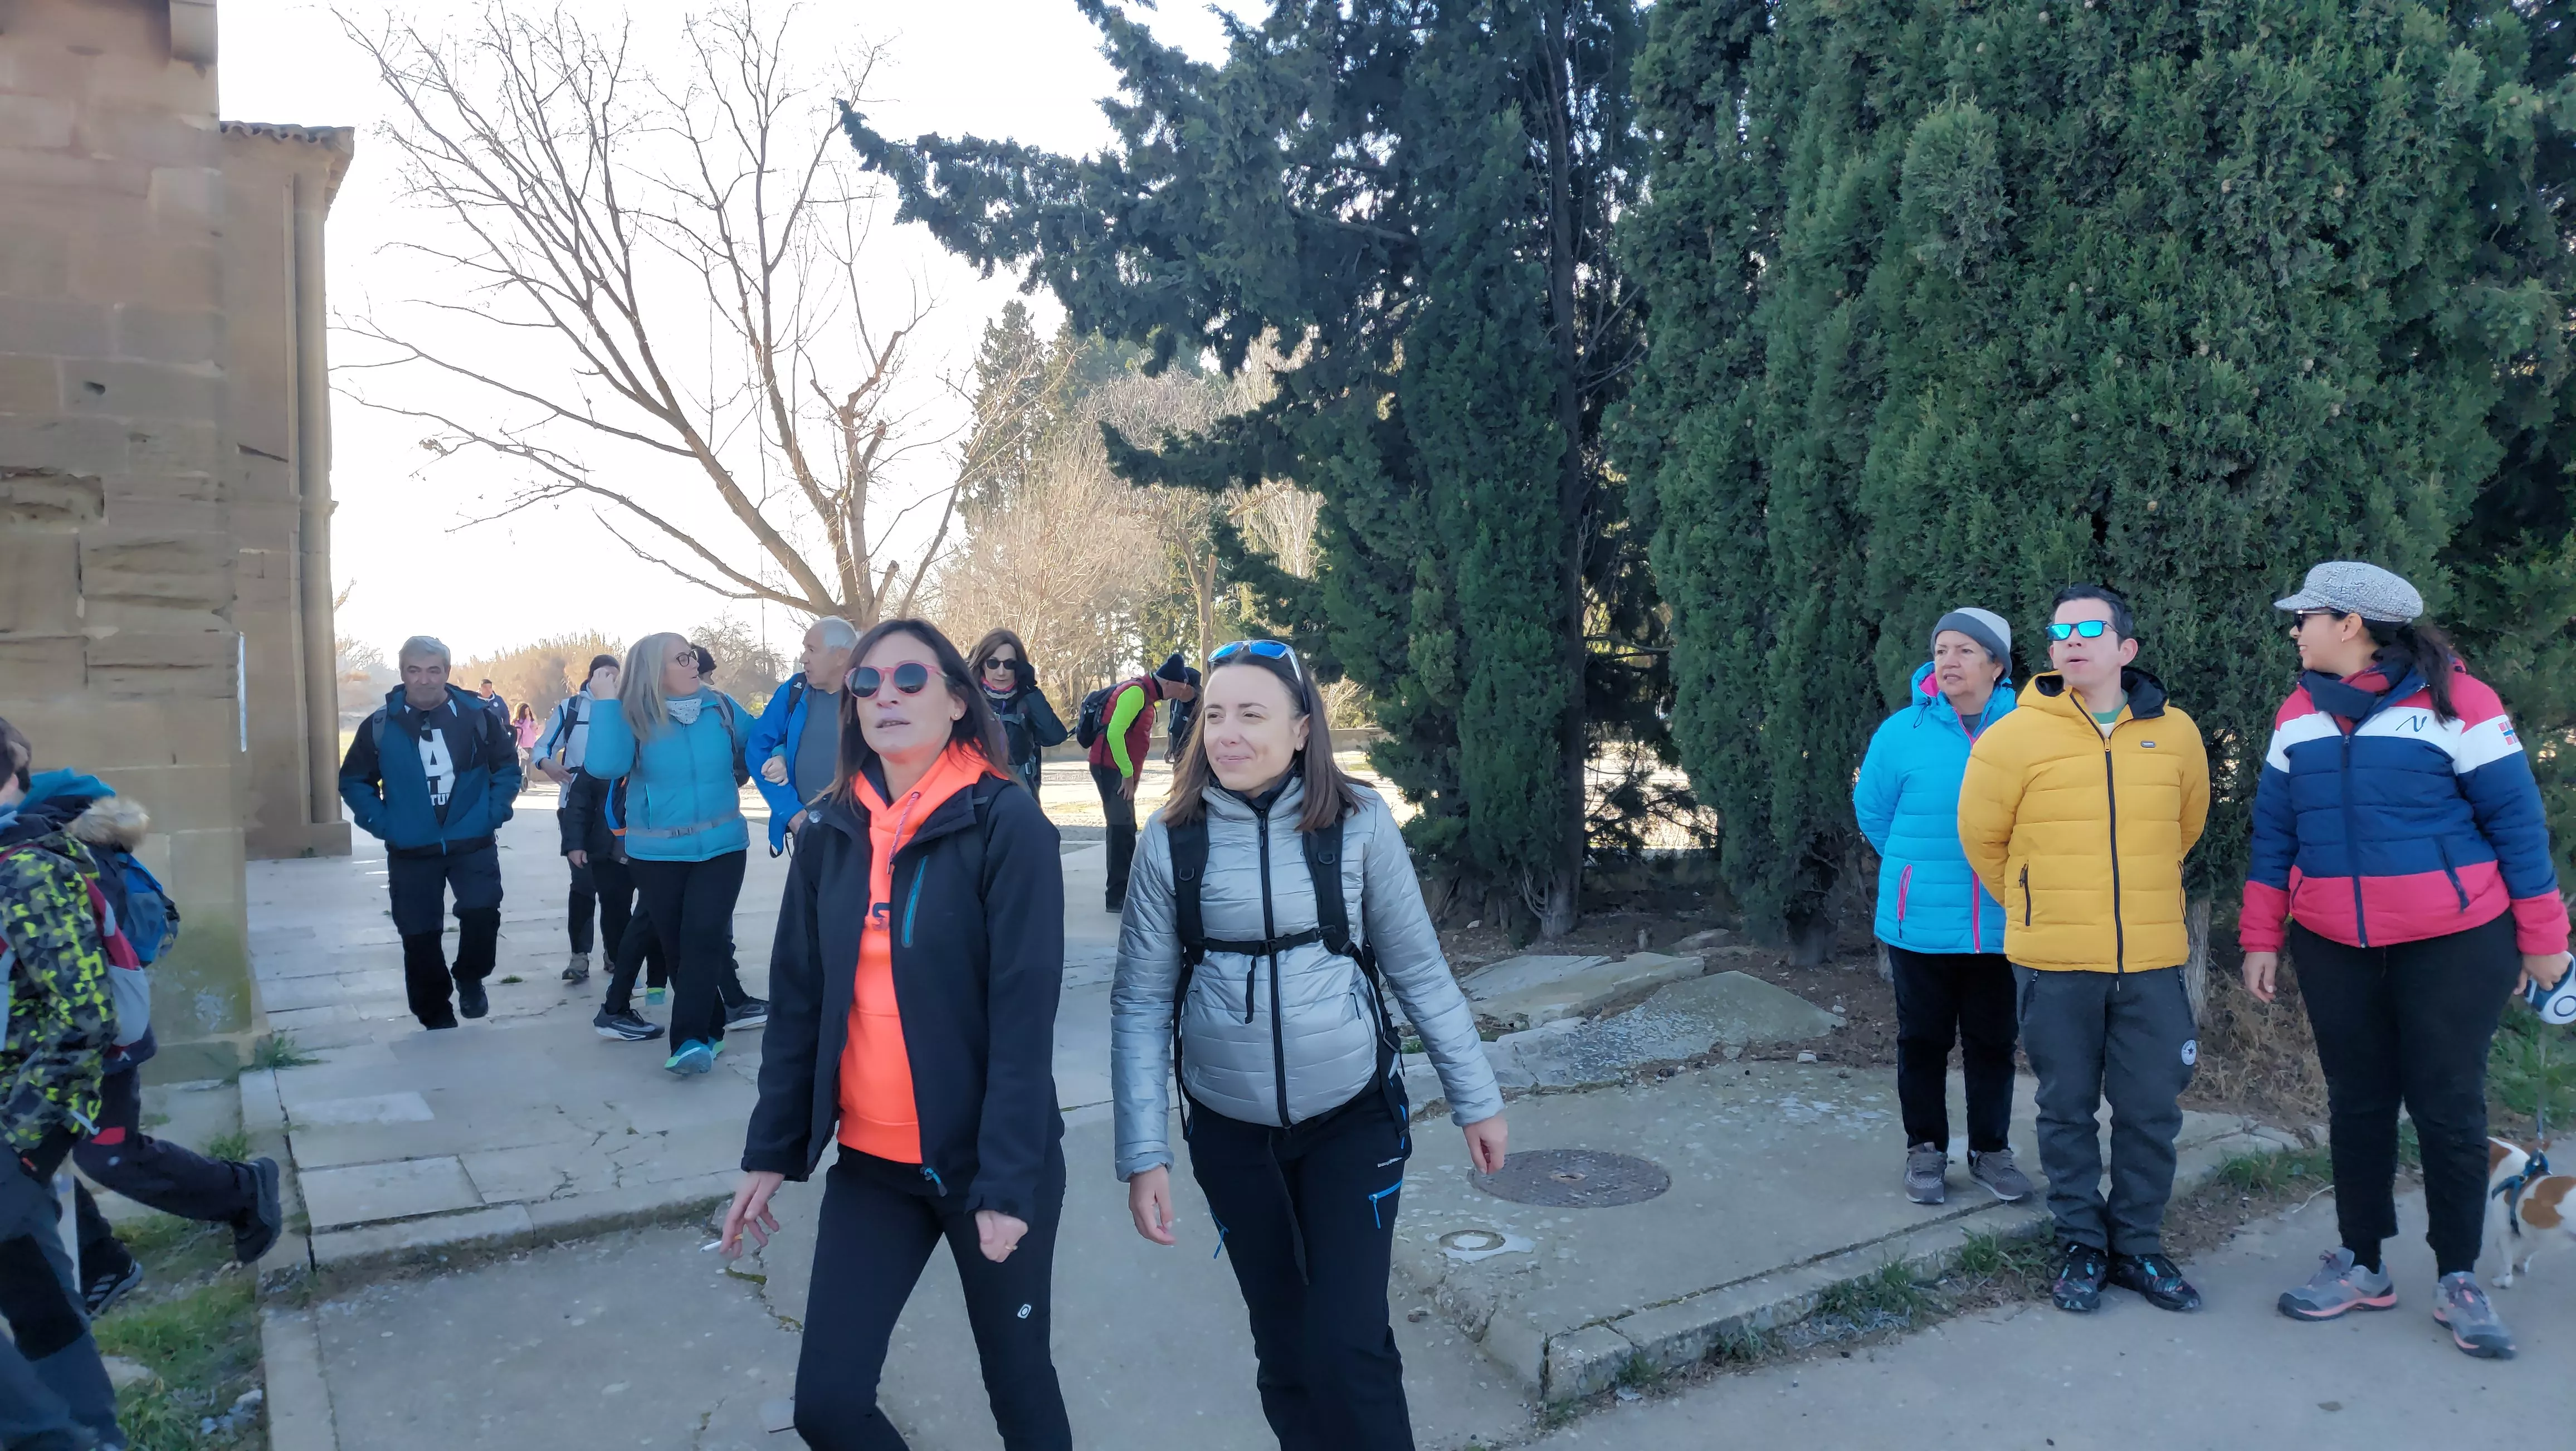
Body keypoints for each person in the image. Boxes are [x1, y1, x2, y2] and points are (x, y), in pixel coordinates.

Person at [1112, 639, 1507, 1449]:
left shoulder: (1358, 824)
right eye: (1213, 714)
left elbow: (1421, 973)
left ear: (1300, 729)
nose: (1226, 732)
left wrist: (1478, 1098)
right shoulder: (1170, 840)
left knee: (1348, 1342)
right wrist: (1143, 1153)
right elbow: (1141, 1005)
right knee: (1286, 1348)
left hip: (1352, 1118)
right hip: (1229, 1132)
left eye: (1251, 715)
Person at [724, 619, 1071, 1451]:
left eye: (911, 680)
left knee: (1020, 1386)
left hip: (985, 1162)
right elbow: (800, 1004)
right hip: (875, 1172)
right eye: (867, 684)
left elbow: (1025, 1022)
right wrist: (771, 1151)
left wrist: (1008, 1183)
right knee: (829, 1409)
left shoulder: (1006, 822)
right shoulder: (830, 829)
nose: (886, 697)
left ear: (957, 700)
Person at [2242, 562, 2572, 1359]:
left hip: (2455, 943)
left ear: (2351, 625)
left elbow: (2518, 829)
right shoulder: (2298, 714)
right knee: (2356, 1103)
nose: (2296, 629)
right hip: (2334, 944)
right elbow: (2274, 834)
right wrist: (2262, 935)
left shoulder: (2463, 703)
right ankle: (2361, 1263)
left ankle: (2457, 1275)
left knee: (2447, 1105)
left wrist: (2545, 941)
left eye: (2307, 617)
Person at [1958, 585, 2209, 1315]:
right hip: (2055, 962)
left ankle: (2137, 1245)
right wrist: (2037, 902)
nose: (2072, 640)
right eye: (2060, 630)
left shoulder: (2178, 733)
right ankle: (2080, 1244)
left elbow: (2185, 826)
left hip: (2152, 962)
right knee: (2066, 1108)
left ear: (2126, 650)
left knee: (2150, 1109)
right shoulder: (2014, 735)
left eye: (2090, 628)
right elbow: (1983, 837)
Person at [0, 766, 282, 1316]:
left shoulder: (42, 863)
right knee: (29, 1161)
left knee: (108, 1157)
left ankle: (245, 1191)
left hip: (97, 1049)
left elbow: (84, 1000)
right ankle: (103, 1263)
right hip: (43, 1051)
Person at [1853, 607, 2034, 1208]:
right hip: (1919, 922)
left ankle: (1990, 1151)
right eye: (1940, 651)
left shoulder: (2029, 730)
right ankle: (1924, 1150)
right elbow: (1874, 813)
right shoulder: (1900, 732)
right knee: (1922, 1041)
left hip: (2000, 923)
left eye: (1963, 650)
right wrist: (1915, 871)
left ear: (1996, 664)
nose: (1948, 662)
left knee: (1992, 1043)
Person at [0, 715, 127, 1451]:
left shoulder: (25, 869)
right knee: (37, 1295)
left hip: (15, 1128)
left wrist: (19, 1141)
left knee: (39, 1302)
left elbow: (84, 1016)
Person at [582, 632, 751, 1076]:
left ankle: (689, 1040)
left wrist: (774, 760)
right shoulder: (631, 715)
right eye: (682, 658)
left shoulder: (723, 708)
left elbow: (763, 741)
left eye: (692, 655)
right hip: (656, 855)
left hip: (723, 846)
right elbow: (604, 766)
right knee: (677, 945)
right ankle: (711, 1030)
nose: (693, 663)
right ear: (656, 671)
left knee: (703, 936)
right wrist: (605, 702)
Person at [340, 636, 523, 1029]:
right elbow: (355, 781)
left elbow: (507, 768)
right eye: (414, 671)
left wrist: (492, 813)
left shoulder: (477, 716)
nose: (424, 680)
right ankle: (436, 1015)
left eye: (433, 671)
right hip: (412, 848)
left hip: (471, 840)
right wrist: (387, 824)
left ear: (447, 673)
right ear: (403, 672)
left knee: (482, 914)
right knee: (419, 934)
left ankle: (471, 976)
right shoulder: (381, 725)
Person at [1089, 653, 1197, 913]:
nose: (1177, 695)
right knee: (1120, 829)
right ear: (1169, 683)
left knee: (1125, 828)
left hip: (1118, 769)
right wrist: (1127, 774)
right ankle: (1116, 896)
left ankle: (1123, 891)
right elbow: (1114, 733)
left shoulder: (1147, 695)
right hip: (1111, 768)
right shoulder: (1136, 693)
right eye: (1178, 688)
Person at [538, 654, 621, 982]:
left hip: (617, 808)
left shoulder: (624, 708)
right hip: (576, 806)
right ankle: (580, 955)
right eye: (605, 676)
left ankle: (615, 953)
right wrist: (548, 765)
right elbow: (542, 747)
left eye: (616, 677)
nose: (611, 682)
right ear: (591, 678)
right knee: (583, 883)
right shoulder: (571, 708)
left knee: (617, 886)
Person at [750, 617, 860, 855]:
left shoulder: (872, 694)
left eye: (811, 650)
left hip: (863, 837)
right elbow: (758, 749)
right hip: (808, 834)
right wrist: (791, 813)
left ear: (841, 656)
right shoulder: (794, 691)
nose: (803, 659)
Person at [969, 629, 1067, 805]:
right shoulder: (966, 699)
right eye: (993, 663)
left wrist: (1030, 690)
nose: (1001, 672)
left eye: (1010, 664)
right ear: (982, 664)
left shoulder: (1027, 699)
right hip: (976, 799)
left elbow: (1055, 736)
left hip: (1021, 797)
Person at [1163, 664, 1201, 766]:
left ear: (1187, 687)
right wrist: (1170, 747)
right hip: (1178, 756)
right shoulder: (1175, 700)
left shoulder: (1203, 705)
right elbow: (1172, 724)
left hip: (1196, 760)